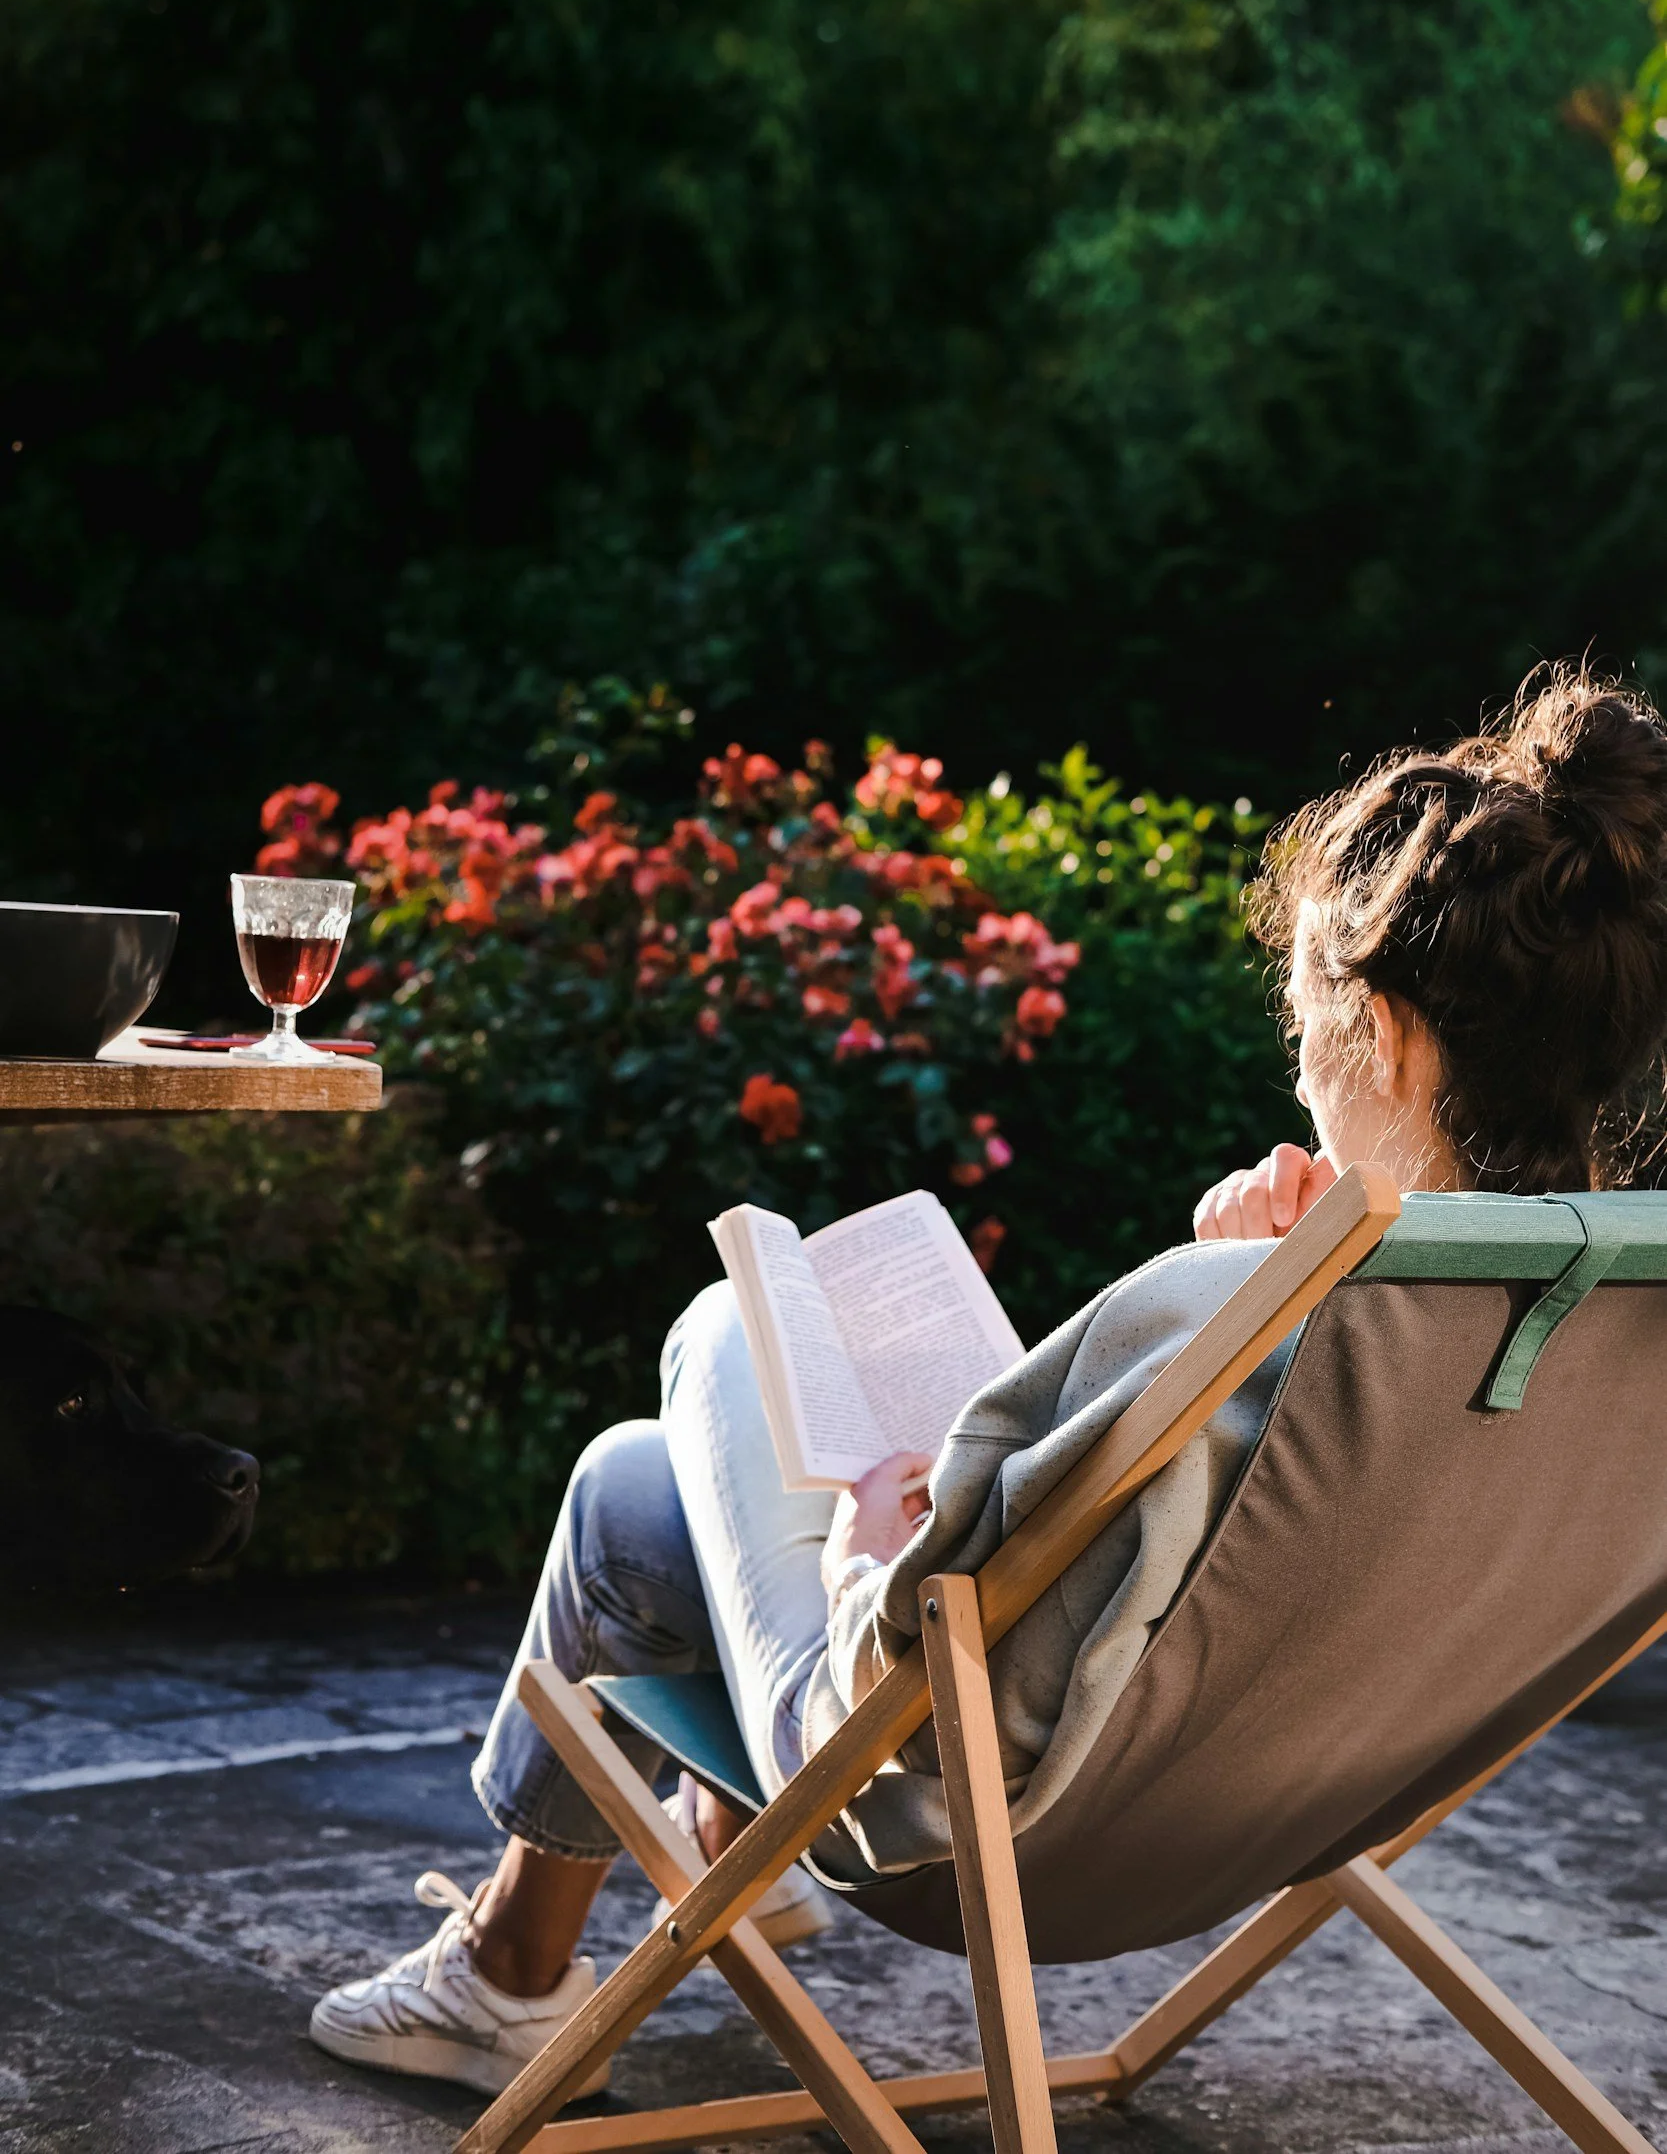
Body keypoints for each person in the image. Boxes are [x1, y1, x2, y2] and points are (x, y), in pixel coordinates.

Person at [309, 663, 1667, 2097]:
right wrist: (1257, 1294)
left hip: (984, 1849)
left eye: (1305, 1028)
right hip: (1297, 1810)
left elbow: (937, 1672)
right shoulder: (1609, 1322)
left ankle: (524, 1967)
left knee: (693, 1376)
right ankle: (656, 1885)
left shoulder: (1260, 1317)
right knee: (649, 1496)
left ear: (1380, 1031)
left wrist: (859, 1554)